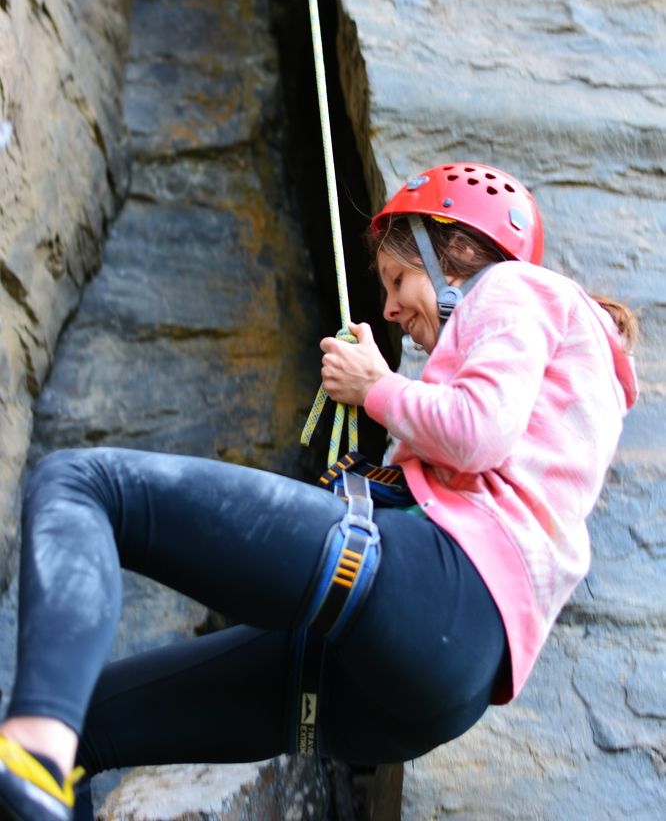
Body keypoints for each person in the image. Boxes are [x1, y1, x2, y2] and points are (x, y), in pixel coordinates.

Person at [0, 161, 638, 821]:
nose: (389, 307)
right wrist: (384, 391)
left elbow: (478, 431)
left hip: (434, 593)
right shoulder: (573, 380)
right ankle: (49, 762)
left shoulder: (512, 285)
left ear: (456, 253)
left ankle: (35, 746)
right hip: (429, 688)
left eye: (398, 279)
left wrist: (375, 387)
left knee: (79, 483)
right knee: (89, 727)